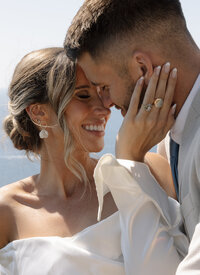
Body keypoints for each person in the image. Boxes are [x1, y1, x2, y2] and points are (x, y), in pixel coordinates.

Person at [0, 47, 188, 274]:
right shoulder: (7, 210)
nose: (103, 109)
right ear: (39, 113)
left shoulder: (148, 170)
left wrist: (131, 157)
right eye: (83, 95)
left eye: (102, 93)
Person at [65, 0, 200, 273]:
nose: (106, 104)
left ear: (142, 68)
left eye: (104, 86)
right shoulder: (171, 138)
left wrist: (127, 160)